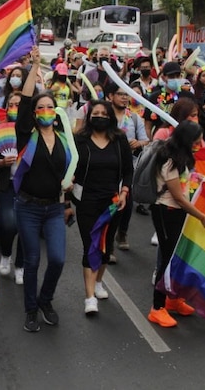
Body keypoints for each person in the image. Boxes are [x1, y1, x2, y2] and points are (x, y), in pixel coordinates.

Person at [14, 47, 73, 333]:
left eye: (50, 107)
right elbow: (25, 100)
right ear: (35, 114)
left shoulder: (63, 139)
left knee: (59, 259)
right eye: (41, 108)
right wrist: (35, 65)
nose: (46, 111)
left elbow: (71, 166)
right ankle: (30, 309)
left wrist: (70, 189)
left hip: (54, 207)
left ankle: (45, 300)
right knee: (33, 260)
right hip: (27, 207)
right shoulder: (27, 135)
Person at [147, 121, 205, 328]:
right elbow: (178, 197)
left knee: (177, 258)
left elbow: (183, 181)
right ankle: (157, 308)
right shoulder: (169, 160)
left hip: (176, 213)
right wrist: (201, 216)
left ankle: (172, 299)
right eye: (196, 141)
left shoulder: (181, 158)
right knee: (166, 260)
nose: (199, 144)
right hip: (166, 212)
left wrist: (195, 177)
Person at [72, 100, 132, 315]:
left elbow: (128, 170)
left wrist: (125, 192)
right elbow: (71, 166)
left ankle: (98, 282)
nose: (99, 116)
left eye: (103, 113)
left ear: (110, 116)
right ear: (89, 117)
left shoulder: (119, 139)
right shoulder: (80, 140)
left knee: (106, 246)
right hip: (86, 200)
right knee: (90, 246)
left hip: (113, 203)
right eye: (95, 113)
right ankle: (89, 298)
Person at [105, 83, 149, 243]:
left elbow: (146, 141)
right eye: (120, 94)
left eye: (127, 94)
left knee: (127, 203)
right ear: (110, 96)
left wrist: (138, 143)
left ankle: (122, 232)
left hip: (128, 167)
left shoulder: (134, 118)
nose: (124, 97)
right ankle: (106, 240)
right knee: (109, 203)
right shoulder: (104, 115)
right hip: (107, 167)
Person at [0, 92, 25, 284]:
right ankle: (6, 253)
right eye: (10, 104)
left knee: (25, 227)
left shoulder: (33, 131)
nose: (14, 108)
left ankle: (20, 265)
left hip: (28, 186)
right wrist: (1, 163)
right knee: (8, 223)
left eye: (18, 104)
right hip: (6, 184)